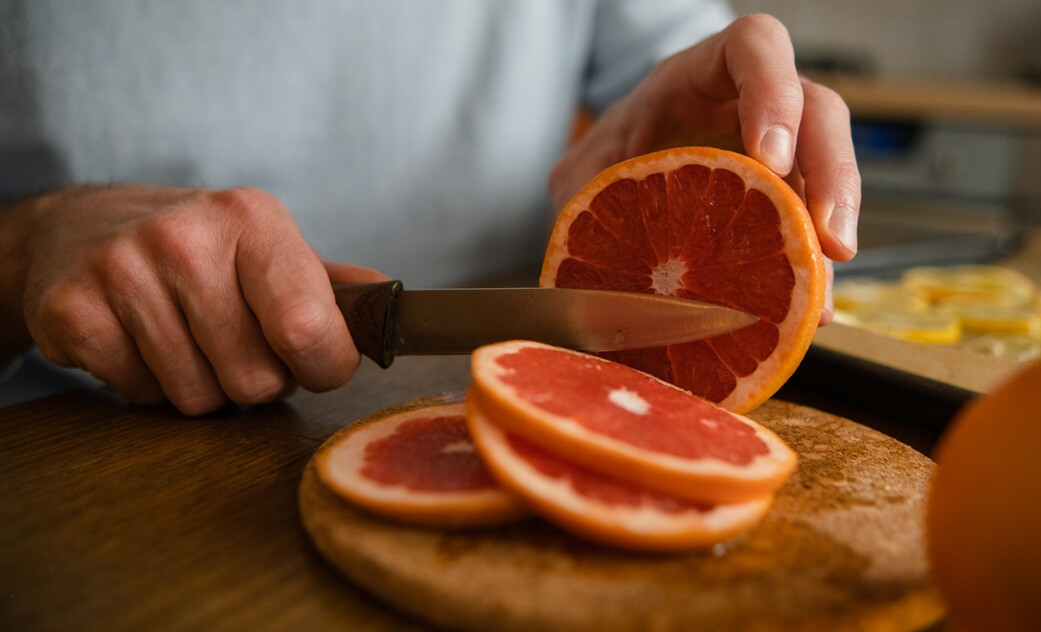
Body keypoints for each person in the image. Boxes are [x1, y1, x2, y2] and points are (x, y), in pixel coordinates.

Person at [0, 0, 859, 415]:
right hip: (69, 436)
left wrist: (725, 155)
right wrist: (20, 248)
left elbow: (676, 58)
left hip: (503, 400)